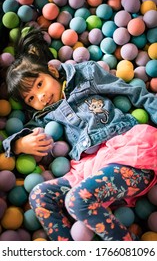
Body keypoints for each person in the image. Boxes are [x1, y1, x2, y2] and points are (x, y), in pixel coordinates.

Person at [3, 28, 157, 241]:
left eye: (40, 84)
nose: (40, 96)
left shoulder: (85, 75)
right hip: (91, 168)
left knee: (76, 199)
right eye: (30, 99)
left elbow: (133, 92)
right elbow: (21, 133)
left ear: (53, 71)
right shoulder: (44, 116)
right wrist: (19, 144)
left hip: (127, 152)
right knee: (39, 196)